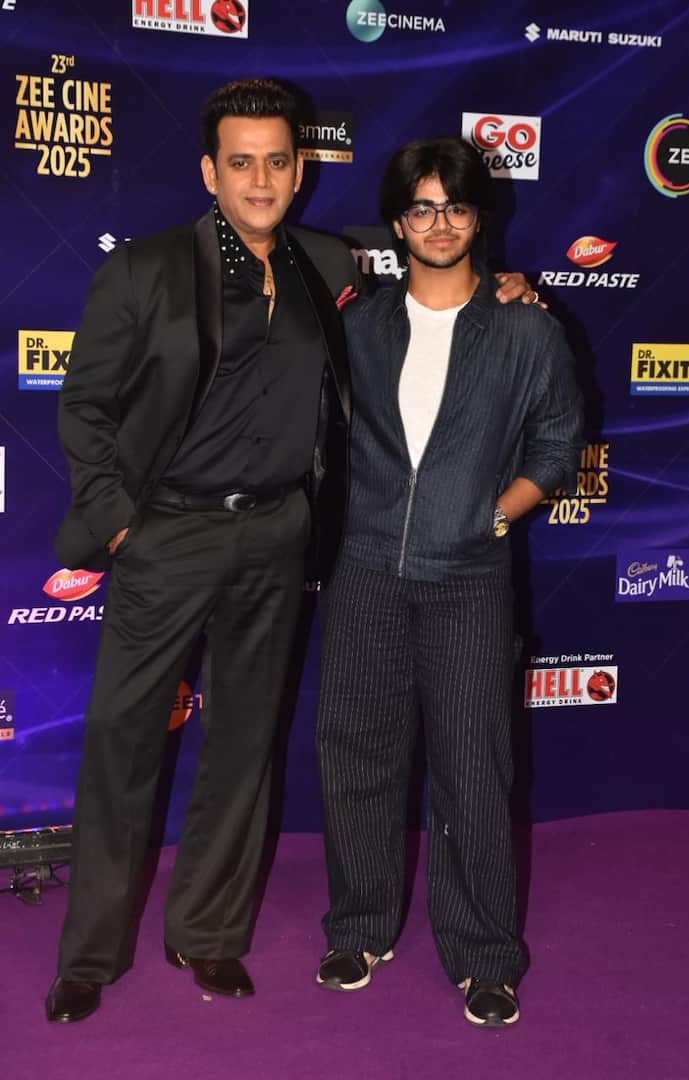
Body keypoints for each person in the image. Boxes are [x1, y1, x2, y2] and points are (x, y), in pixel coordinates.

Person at [46, 77, 535, 1024]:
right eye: (241, 162)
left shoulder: (330, 263)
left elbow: (427, 304)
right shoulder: (144, 268)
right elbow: (86, 408)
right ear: (210, 172)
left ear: (300, 169)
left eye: (277, 161)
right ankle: (90, 956)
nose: (261, 179)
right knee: (120, 742)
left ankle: (209, 934)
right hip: (166, 534)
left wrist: (511, 288)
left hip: (275, 536)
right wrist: (121, 527)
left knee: (243, 745)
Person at [315, 136, 584, 1028]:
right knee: (358, 757)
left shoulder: (525, 328)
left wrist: (495, 517)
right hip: (364, 571)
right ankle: (360, 927)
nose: (440, 223)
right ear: (398, 224)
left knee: (473, 768)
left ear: (478, 217)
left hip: (469, 577)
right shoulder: (358, 327)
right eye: (422, 208)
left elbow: (557, 444)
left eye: (456, 207)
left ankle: (483, 956)